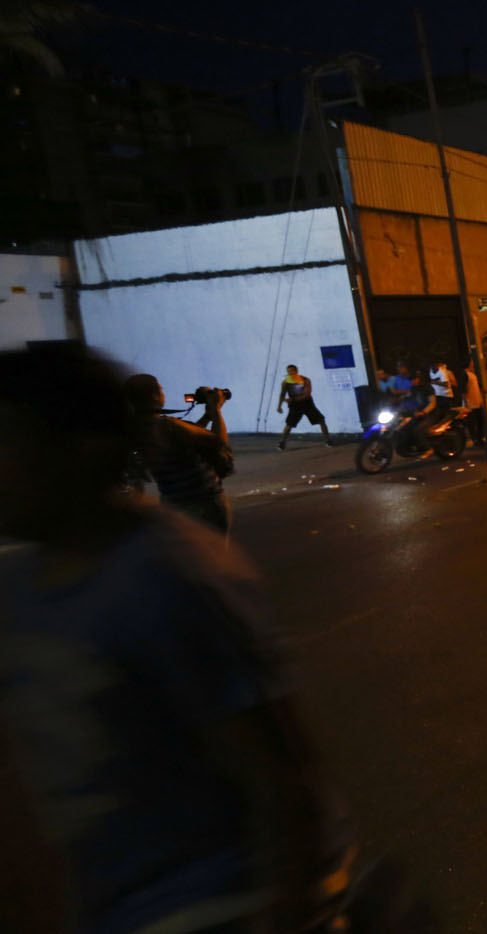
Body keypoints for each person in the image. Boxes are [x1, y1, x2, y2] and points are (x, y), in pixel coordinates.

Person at [0, 345, 353, 932]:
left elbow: (282, 777)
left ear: (78, 446)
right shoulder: (18, 588)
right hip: (117, 905)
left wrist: (290, 910)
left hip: (221, 902)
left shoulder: (170, 577)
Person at [124, 374, 235, 534]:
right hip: (204, 504)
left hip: (174, 506)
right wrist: (216, 410)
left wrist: (206, 416)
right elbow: (219, 444)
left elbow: (182, 439)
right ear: (155, 396)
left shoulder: (137, 429)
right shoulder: (168, 425)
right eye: (161, 390)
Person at [275, 364, 333, 450]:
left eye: (292, 371)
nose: (290, 373)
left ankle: (328, 440)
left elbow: (307, 394)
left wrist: (292, 399)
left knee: (321, 420)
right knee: (289, 424)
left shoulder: (305, 380)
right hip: (295, 406)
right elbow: (282, 394)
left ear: (296, 371)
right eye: (289, 371)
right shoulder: (285, 382)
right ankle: (282, 443)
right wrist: (279, 406)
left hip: (307, 404)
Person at [461, 362, 486, 446]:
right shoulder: (465, 375)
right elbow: (463, 391)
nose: (473, 364)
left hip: (477, 402)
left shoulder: (472, 375)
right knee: (472, 423)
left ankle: (479, 439)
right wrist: (466, 404)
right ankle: (476, 439)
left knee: (480, 421)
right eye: (471, 363)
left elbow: (478, 387)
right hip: (471, 404)